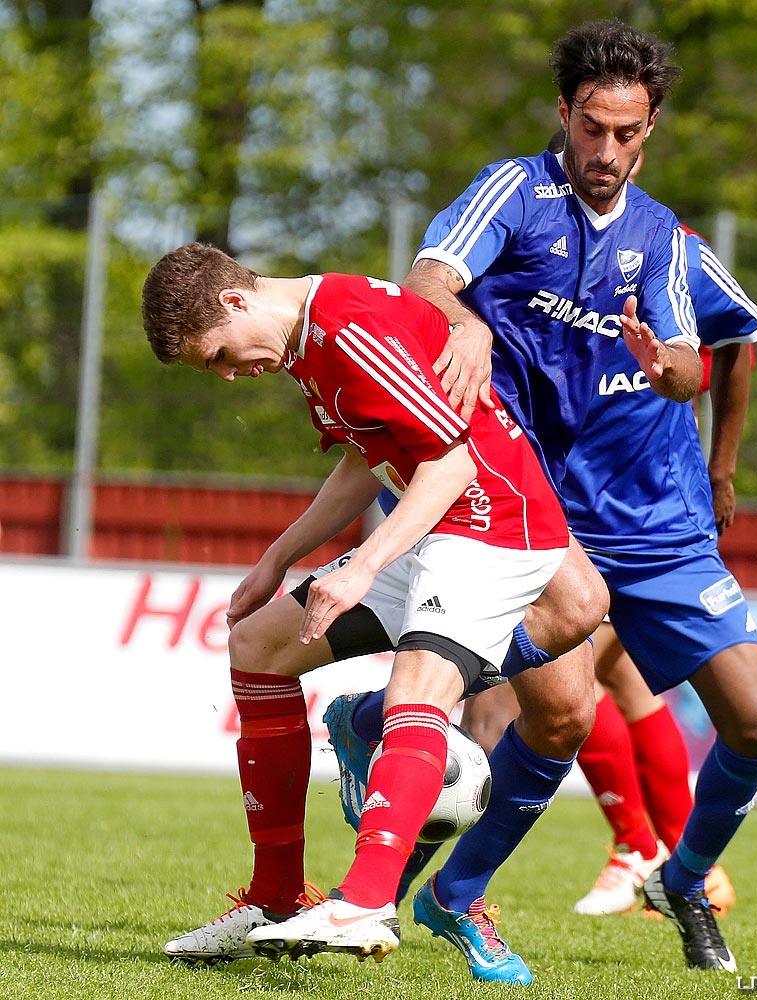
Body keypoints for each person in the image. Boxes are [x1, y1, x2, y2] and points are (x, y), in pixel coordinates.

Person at [325, 19, 757, 982]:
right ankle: (408, 889)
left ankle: (677, 876)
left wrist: (675, 377)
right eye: (590, 128)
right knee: (558, 718)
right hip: (537, 505)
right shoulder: (515, 192)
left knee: (755, 723)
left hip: (655, 514)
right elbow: (428, 281)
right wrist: (459, 320)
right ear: (562, 113)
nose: (604, 151)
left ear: (649, 130)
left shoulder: (663, 238)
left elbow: (713, 356)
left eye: (626, 134)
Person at [140, 242, 585, 967]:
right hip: (434, 524)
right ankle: (277, 896)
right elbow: (362, 457)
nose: (228, 376)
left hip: (491, 526)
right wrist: (276, 560)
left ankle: (365, 903)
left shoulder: (346, 329)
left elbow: (450, 462)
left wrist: (361, 566)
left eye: (219, 355)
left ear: (234, 302)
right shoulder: (307, 338)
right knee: (256, 646)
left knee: (420, 687)